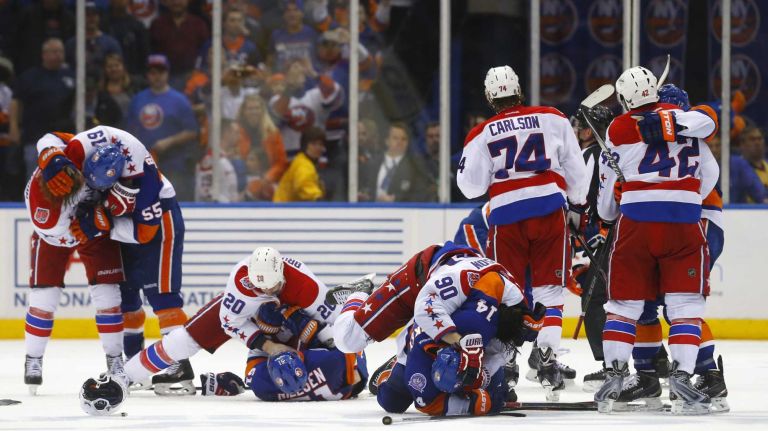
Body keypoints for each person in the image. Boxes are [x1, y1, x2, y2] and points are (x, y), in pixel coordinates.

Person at [456, 65, 589, 400]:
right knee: (550, 290)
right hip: (549, 211)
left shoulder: (481, 133)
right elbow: (576, 169)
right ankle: (546, 357)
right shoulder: (553, 117)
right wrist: (577, 204)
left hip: (506, 216)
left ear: (490, 98)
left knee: (507, 293)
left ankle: (506, 364)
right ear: (520, 91)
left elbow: (470, 187)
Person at [79, 247, 344, 412]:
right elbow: (231, 323)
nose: (265, 291)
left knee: (326, 338)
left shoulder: (306, 287)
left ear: (282, 275)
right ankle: (125, 376)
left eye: (271, 287)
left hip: (291, 320)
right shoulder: (241, 282)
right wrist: (269, 346)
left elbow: (337, 322)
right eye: (259, 287)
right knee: (181, 341)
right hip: (246, 316)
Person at [594, 66, 719, 414]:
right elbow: (710, 173)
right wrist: (685, 197)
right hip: (684, 221)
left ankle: (615, 377)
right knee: (685, 306)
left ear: (624, 99)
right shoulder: (688, 122)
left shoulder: (618, 127)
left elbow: (606, 199)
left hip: (637, 222)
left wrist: (614, 210)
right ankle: (682, 379)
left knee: (624, 305)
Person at [37, 125, 192, 384]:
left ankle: (180, 366)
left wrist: (102, 224)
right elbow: (48, 138)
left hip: (159, 224)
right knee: (127, 296)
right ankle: (134, 367)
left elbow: (145, 233)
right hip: (119, 219)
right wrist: (50, 160)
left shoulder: (146, 185)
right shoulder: (81, 148)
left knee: (163, 296)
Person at [373, 245, 543, 416]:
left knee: (391, 400)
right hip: (428, 344)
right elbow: (428, 405)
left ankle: (399, 365)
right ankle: (399, 366)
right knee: (393, 402)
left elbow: (426, 307)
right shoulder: (419, 374)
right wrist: (477, 394)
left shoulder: (469, 288)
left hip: (459, 292)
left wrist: (460, 343)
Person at [22, 132, 126, 395]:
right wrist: (91, 223)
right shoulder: (46, 213)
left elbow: (49, 137)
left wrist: (104, 215)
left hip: (87, 217)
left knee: (108, 294)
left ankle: (115, 359)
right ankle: (33, 358)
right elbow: (67, 233)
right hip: (56, 235)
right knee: (44, 297)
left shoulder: (80, 150)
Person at [568, 104, 615, 390]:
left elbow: (580, 200)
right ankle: (655, 361)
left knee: (594, 299)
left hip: (602, 238)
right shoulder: (619, 153)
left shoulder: (587, 156)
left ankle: (610, 367)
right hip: (624, 234)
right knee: (630, 301)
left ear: (588, 131)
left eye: (578, 127)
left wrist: (580, 235)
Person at [126, 54, 199, 200]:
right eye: (153, 72)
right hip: (144, 165)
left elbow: (192, 131)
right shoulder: (138, 100)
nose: (157, 76)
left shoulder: (180, 100)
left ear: (167, 73)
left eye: (161, 72)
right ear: (147, 75)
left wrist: (169, 142)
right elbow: (129, 131)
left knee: (174, 202)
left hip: (174, 165)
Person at [10, 38, 75, 180]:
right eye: (54, 52)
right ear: (44, 54)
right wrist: (13, 126)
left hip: (63, 138)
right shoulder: (30, 77)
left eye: (60, 51)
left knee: (62, 180)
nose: (58, 55)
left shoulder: (71, 76)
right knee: (35, 177)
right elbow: (16, 101)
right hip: (35, 137)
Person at [363, 123, 436, 202]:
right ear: (387, 141)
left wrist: (395, 200)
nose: (399, 142)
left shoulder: (415, 165)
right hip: (373, 209)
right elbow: (366, 188)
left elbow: (422, 193)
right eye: (395, 138)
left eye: (404, 139)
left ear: (408, 143)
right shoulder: (374, 162)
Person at [236, 94, 288, 201]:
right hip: (241, 180)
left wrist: (269, 177)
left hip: (267, 180)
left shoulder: (272, 132)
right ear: (243, 111)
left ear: (262, 110)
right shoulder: (235, 131)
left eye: (257, 108)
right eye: (250, 108)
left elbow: (281, 162)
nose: (254, 112)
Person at [149, 0, 209, 86]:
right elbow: (152, 52)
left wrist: (198, 71)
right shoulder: (157, 24)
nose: (176, 2)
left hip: (192, 78)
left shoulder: (199, 24)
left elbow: (205, 52)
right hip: (164, 78)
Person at [64, 2, 123, 77]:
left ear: (99, 17)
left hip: (103, 82)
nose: (91, 18)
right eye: (87, 15)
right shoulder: (71, 44)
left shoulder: (111, 43)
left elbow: (118, 68)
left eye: (94, 15)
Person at [273, 126, 325, 202]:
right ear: (305, 145)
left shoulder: (304, 160)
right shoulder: (303, 165)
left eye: (320, 144)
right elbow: (304, 184)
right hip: (284, 208)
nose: (318, 147)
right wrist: (317, 198)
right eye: (313, 144)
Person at [267, 0, 318, 73]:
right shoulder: (276, 35)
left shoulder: (312, 33)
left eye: (296, 10)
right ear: (284, 15)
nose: (292, 14)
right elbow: (269, 62)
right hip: (282, 77)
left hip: (307, 77)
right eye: (288, 11)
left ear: (302, 13)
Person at [104, 0, 151, 76]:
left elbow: (145, 55)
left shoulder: (137, 26)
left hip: (133, 75)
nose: (121, 1)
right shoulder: (102, 25)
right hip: (107, 75)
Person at [738, 126, 768, 201]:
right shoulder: (737, 169)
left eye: (760, 139)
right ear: (742, 144)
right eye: (752, 139)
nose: (757, 142)